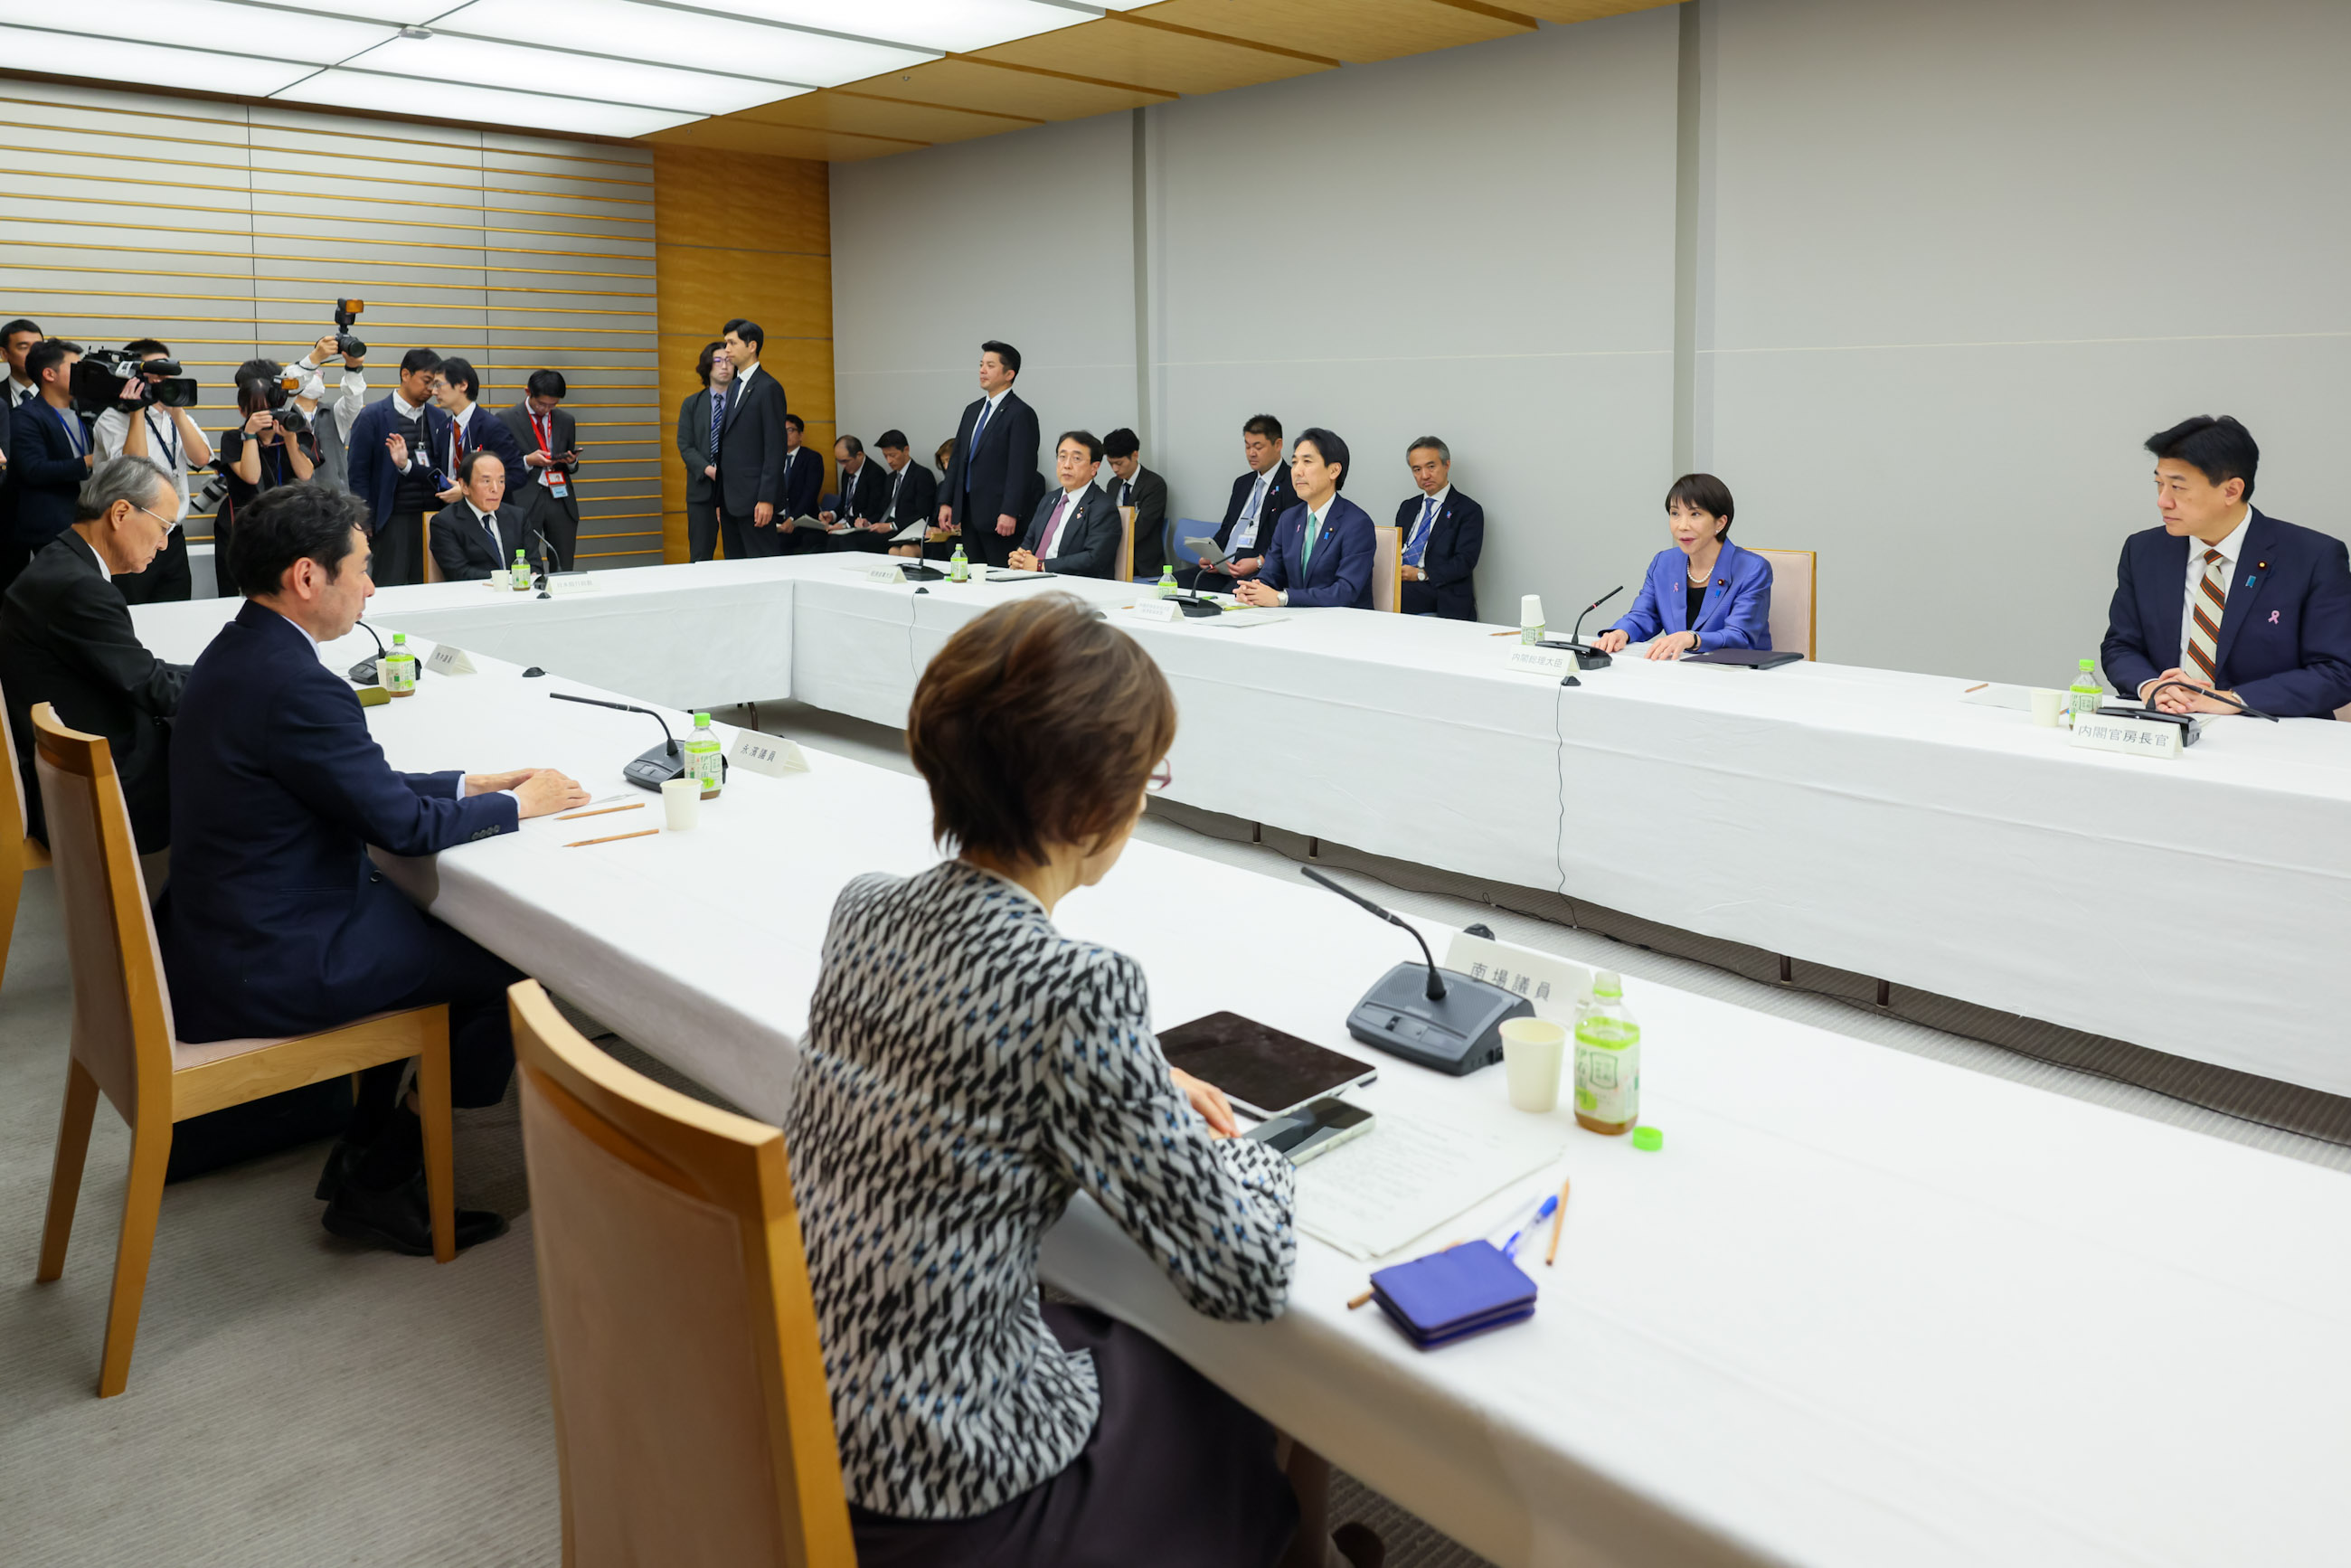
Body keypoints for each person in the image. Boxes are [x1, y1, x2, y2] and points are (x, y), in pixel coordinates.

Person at [786, 593, 1343, 1568]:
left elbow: (959, 1054)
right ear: (1091, 806)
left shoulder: (862, 910)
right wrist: (1256, 1158)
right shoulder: (1076, 988)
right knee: (1222, 1382)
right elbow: (1242, 1273)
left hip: (806, 1410)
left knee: (1106, 1322)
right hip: (949, 1486)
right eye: (1144, 776)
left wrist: (1126, 1078)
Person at [157, 483, 589, 1254]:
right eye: (360, 567)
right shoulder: (300, 686)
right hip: (275, 957)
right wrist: (525, 806)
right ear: (307, 577)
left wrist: (469, 784)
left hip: (222, 930)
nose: (372, 584)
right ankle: (381, 1179)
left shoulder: (237, 652)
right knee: (512, 972)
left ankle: (364, 1144)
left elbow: (335, 785)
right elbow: (400, 827)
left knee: (431, 925)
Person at [2102, 415, 2351, 719]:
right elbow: (2121, 645)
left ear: (2231, 491)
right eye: (2159, 484)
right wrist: (2152, 687)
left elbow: (2338, 671)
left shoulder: (2313, 558)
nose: (2163, 501)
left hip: (2272, 737)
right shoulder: (2144, 551)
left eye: (2178, 488)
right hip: (2166, 723)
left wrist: (2231, 699)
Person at [0, 456, 186, 851]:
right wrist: (234, 682)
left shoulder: (61, 562)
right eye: (163, 527)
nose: (164, 543)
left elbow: (140, 672)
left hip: (61, 761)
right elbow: (151, 686)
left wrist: (213, 673)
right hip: (89, 784)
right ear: (121, 512)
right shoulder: (79, 588)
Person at [1595, 473, 1772, 658]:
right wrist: (1621, 633)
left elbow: (1740, 636)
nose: (1682, 525)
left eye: (1695, 514)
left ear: (1720, 522)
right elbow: (1645, 615)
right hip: (1682, 671)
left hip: (1740, 673)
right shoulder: (1663, 563)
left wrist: (1693, 639)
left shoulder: (1752, 569)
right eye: (1675, 514)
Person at [1234, 428, 1375, 610]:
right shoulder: (1289, 519)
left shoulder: (1357, 524)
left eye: (1307, 462)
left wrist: (1283, 598)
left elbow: (1345, 592)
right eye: (1294, 462)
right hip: (1297, 620)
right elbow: (1271, 572)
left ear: (1334, 470)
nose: (1297, 471)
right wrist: (1254, 589)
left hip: (1343, 625)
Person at [344, 346, 450, 588]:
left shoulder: (438, 417)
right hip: (392, 519)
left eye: (435, 384)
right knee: (391, 583)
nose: (431, 390)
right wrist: (364, 520)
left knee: (430, 584)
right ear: (405, 375)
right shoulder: (373, 416)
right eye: (426, 381)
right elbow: (358, 473)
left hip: (434, 516)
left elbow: (443, 469)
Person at [214, 368, 320, 598]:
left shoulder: (295, 430)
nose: (265, 415)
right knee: (239, 594)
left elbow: (305, 474)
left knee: (285, 593)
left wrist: (290, 438)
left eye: (269, 408)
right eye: (256, 410)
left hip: (287, 527)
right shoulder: (233, 438)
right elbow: (251, 477)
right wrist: (250, 435)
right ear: (242, 411)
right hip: (242, 531)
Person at [939, 339, 1041, 570]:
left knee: (1001, 579)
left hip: (1000, 518)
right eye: (981, 364)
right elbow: (957, 460)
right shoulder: (972, 410)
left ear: (1009, 374)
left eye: (990, 365)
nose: (982, 370)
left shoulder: (1021, 413)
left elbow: (1021, 468)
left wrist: (1010, 511)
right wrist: (946, 502)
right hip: (969, 514)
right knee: (974, 576)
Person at [9, 340, 94, 586]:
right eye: (76, 368)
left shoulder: (85, 413)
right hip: (52, 529)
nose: (85, 374)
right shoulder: (25, 416)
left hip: (88, 521)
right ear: (49, 374)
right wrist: (89, 461)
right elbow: (33, 470)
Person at [1184, 413, 1294, 591]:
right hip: (1223, 567)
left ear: (1278, 445)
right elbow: (1227, 527)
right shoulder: (1242, 483)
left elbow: (1291, 539)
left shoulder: (1292, 483)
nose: (1251, 453)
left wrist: (1260, 561)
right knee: (1173, 583)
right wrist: (1211, 555)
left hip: (1257, 570)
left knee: (1230, 595)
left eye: (1258, 447)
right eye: (1248, 446)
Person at [712, 320, 788, 562]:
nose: (727, 350)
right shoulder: (734, 385)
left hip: (755, 500)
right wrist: (719, 497)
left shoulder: (769, 388)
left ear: (752, 345)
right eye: (726, 343)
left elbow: (775, 448)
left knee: (762, 564)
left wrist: (766, 498)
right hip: (730, 499)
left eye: (732, 343)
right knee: (735, 566)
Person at [498, 369, 582, 571]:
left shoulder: (565, 420)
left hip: (560, 497)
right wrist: (528, 460)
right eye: (541, 404)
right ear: (528, 392)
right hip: (524, 497)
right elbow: (500, 465)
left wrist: (570, 462)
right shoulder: (506, 419)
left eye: (552, 405)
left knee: (564, 563)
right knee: (525, 560)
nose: (546, 409)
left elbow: (571, 464)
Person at [1010, 430, 1123, 580]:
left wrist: (1041, 566)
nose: (1067, 465)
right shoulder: (1049, 499)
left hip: (1075, 587)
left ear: (1094, 467)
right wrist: (1020, 558)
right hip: (1034, 581)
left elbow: (1094, 559)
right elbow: (1029, 542)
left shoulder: (1102, 507)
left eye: (1076, 458)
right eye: (1062, 457)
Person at [1394, 437, 1483, 621]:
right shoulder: (1408, 507)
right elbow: (1395, 548)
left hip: (1439, 588)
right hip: (1401, 580)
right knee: (1362, 586)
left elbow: (1464, 562)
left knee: (1392, 596)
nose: (1424, 475)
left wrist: (1420, 574)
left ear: (1446, 465)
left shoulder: (1468, 510)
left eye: (1431, 467)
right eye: (1417, 469)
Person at [427, 356, 526, 515]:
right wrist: (405, 464)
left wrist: (469, 490)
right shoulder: (444, 427)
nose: (433, 391)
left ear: (463, 385)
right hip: (451, 514)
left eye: (438, 385)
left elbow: (517, 475)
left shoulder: (492, 426)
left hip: (487, 515)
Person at [428, 449, 528, 582]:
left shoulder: (518, 516)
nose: (495, 489)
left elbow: (534, 563)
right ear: (464, 486)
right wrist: (507, 580)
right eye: (486, 481)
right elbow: (458, 572)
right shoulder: (445, 523)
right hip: (475, 596)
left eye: (501, 481)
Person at [288, 333, 368, 492]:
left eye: (320, 375)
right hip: (295, 504)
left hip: (335, 504)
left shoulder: (334, 413)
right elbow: (290, 377)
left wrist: (353, 370)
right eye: (313, 373)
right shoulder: (284, 414)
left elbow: (354, 401)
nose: (317, 377)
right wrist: (314, 359)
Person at [675, 340, 727, 561]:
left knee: (741, 553)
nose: (724, 366)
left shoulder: (742, 401)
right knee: (700, 554)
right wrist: (710, 470)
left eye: (729, 360)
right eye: (718, 361)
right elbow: (685, 445)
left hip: (737, 488)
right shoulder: (692, 404)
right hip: (702, 487)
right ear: (708, 365)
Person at [839, 429, 926, 554]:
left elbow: (923, 514)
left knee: (851, 541)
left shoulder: (921, 475)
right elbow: (882, 510)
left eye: (892, 455)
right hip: (885, 527)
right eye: (885, 456)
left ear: (906, 450)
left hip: (903, 530)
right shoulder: (890, 478)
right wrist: (867, 521)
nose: (889, 461)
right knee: (845, 538)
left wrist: (892, 526)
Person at [1101, 426, 1166, 579]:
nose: (1115, 469)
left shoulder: (1154, 484)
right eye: (1111, 463)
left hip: (1141, 562)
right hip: (1112, 557)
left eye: (1119, 463)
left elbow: (1142, 528)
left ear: (1135, 455)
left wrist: (1107, 541)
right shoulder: (1113, 484)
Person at [774, 413, 825, 552]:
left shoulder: (812, 458)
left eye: (790, 430)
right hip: (777, 521)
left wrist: (792, 519)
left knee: (779, 545)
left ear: (801, 435)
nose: (786, 435)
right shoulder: (774, 459)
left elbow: (810, 493)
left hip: (801, 521)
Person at [818, 434, 887, 537]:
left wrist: (846, 525)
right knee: (810, 536)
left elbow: (873, 511)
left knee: (835, 540)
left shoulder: (875, 474)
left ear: (859, 455)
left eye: (845, 461)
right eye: (839, 461)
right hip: (844, 522)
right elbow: (845, 504)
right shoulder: (847, 471)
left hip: (860, 526)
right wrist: (832, 515)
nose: (843, 466)